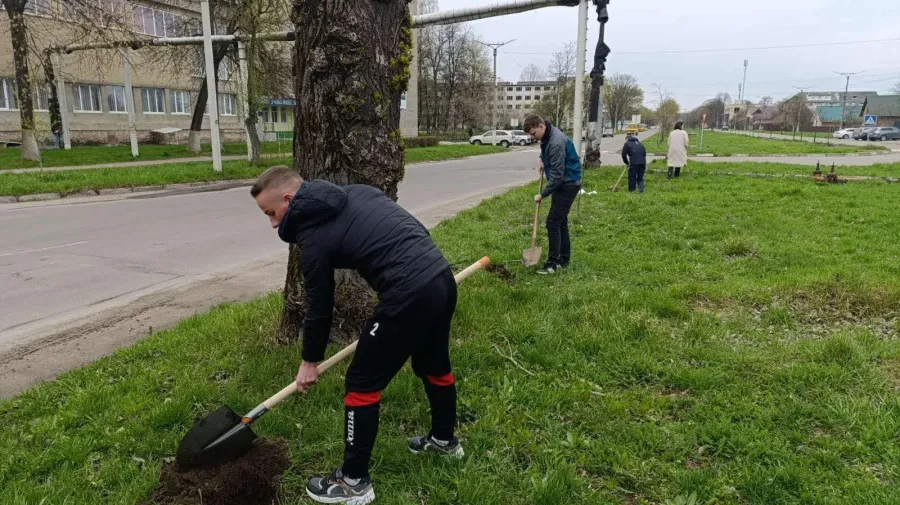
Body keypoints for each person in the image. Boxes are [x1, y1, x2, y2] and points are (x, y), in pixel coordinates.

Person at [251, 166, 462, 504]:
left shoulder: (313, 238)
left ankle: (353, 482)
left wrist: (309, 361)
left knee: (361, 383)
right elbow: (411, 228)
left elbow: (320, 305)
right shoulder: (359, 191)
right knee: (434, 364)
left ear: (288, 199)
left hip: (407, 292)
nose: (273, 224)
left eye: (271, 213)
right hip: (439, 276)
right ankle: (444, 441)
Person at [523, 115, 582, 275]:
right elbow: (545, 149)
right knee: (560, 222)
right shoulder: (547, 135)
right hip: (564, 182)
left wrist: (542, 194)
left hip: (568, 184)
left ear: (541, 126)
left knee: (552, 223)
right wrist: (542, 159)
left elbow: (557, 177)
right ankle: (564, 259)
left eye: (534, 134)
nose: (533, 138)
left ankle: (553, 264)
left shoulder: (556, 142)